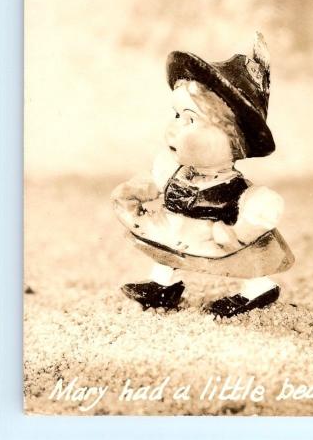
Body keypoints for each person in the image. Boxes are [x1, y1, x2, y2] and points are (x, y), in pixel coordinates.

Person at [111, 33, 292, 317]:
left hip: (216, 239)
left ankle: (258, 288)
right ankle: (161, 284)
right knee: (165, 248)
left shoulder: (244, 194)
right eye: (176, 116)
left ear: (234, 138)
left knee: (244, 262)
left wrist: (236, 234)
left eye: (191, 120)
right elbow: (154, 183)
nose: (175, 128)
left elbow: (265, 213)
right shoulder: (171, 168)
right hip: (178, 230)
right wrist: (141, 189)